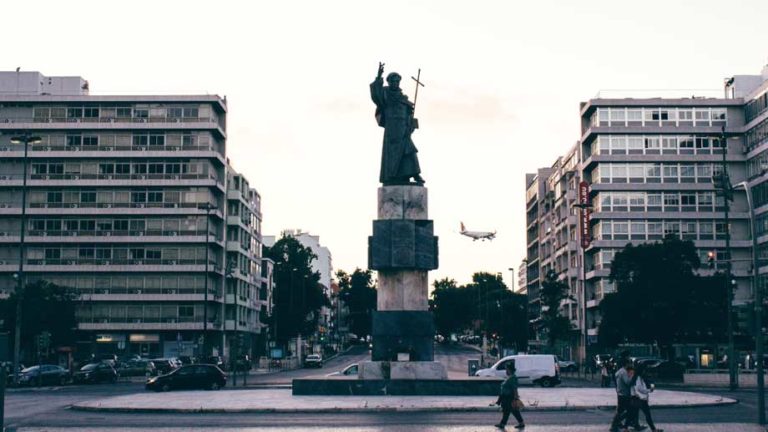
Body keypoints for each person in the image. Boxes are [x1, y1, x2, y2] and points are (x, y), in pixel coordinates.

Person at [370, 62, 425, 186]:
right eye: (392, 81)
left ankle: (415, 174)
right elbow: (376, 94)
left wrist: (411, 123)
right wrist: (379, 77)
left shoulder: (402, 98)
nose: (395, 83)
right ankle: (392, 177)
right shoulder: (385, 94)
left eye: (397, 81)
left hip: (403, 129)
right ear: (389, 82)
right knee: (393, 155)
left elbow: (409, 114)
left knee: (410, 151)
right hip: (392, 130)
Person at [610, 361, 645, 432]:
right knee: (630, 411)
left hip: (621, 394)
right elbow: (628, 382)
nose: (631, 365)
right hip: (624, 395)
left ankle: (631, 424)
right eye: (630, 363)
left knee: (626, 410)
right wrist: (633, 377)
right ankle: (615, 425)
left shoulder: (620, 371)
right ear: (626, 364)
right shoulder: (623, 372)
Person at [494, 361, 525, 429]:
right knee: (507, 411)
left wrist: (516, 398)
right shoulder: (510, 377)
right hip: (506, 397)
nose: (506, 371)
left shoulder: (513, 378)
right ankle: (503, 424)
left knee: (512, 410)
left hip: (509, 397)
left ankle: (520, 423)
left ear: (510, 370)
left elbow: (514, 388)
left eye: (506, 369)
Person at [632, 366, 662, 432]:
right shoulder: (638, 378)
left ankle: (635, 426)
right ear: (641, 371)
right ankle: (653, 429)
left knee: (635, 413)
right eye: (644, 371)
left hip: (639, 398)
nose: (645, 372)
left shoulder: (639, 378)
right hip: (641, 399)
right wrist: (649, 390)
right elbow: (640, 388)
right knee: (647, 414)